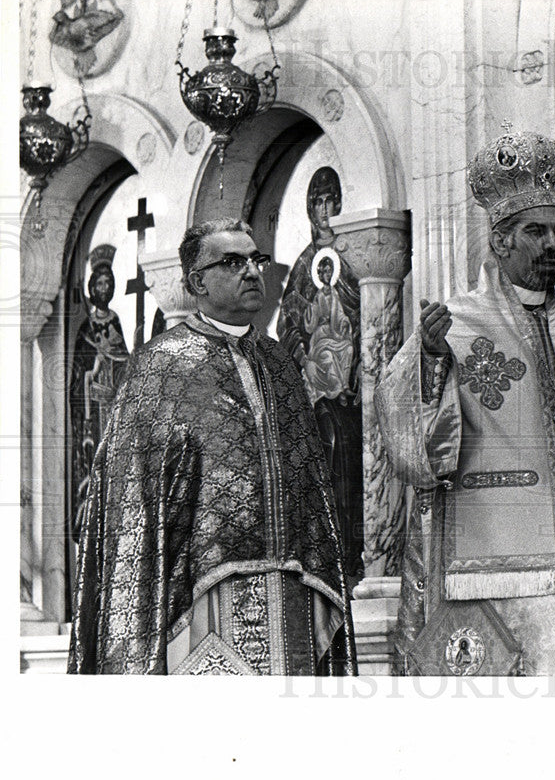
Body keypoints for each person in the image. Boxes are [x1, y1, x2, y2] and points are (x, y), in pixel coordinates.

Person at [375, 127, 555, 676]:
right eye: (536, 231)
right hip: (495, 574)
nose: (553, 245)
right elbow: (411, 453)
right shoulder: (455, 325)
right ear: (501, 240)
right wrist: (434, 362)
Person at [69, 218, 356, 675]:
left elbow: (312, 486)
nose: (251, 271)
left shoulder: (282, 363)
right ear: (196, 282)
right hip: (198, 601)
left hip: (294, 595)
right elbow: (131, 502)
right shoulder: (159, 364)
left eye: (256, 260)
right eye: (233, 261)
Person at [278, 167, 364, 580]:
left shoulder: (354, 257)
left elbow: (365, 318)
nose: (325, 209)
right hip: (316, 388)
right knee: (322, 462)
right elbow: (288, 324)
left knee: (350, 466)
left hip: (351, 387)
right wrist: (303, 357)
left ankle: (356, 554)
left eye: (331, 200)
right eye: (317, 201)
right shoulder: (302, 267)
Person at [68, 244, 129, 542]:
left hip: (113, 405)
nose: (104, 288)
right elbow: (80, 376)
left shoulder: (114, 320)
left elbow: (123, 362)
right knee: (94, 461)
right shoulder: (86, 329)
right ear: (92, 288)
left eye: (108, 283)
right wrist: (94, 366)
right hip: (93, 412)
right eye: (99, 283)